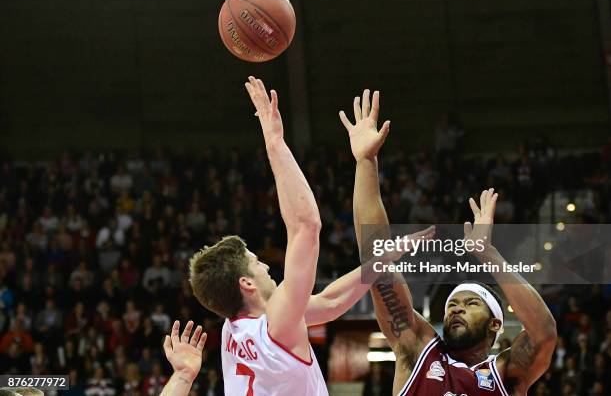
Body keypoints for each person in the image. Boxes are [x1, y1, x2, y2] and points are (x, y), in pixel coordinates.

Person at [181, 78, 429, 395]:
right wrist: (274, 141)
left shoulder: (235, 330)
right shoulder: (278, 325)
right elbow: (305, 226)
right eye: (256, 264)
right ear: (247, 284)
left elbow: (328, 303)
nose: (266, 267)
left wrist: (378, 262)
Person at [342, 89, 557, 395]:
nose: (456, 309)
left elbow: (544, 334)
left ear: (496, 324)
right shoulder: (418, 351)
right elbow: (375, 258)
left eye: (470, 304)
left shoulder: (507, 375)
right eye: (452, 304)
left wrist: (489, 254)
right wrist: (365, 163)